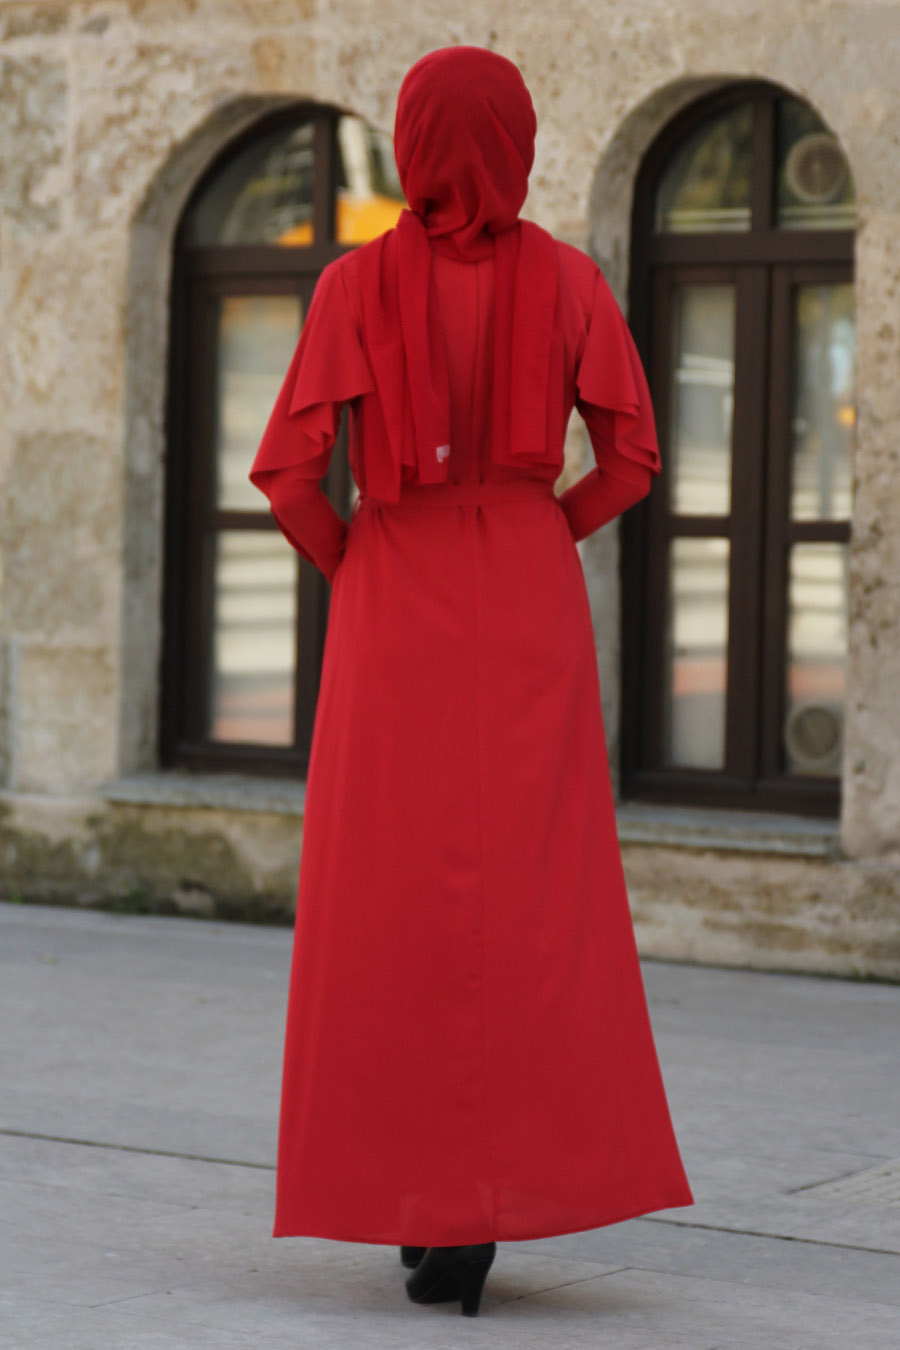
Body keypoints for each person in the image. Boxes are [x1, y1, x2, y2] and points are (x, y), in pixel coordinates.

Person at [249, 45, 694, 1319]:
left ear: (408, 140)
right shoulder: (569, 280)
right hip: (525, 576)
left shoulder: (350, 285)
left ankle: (424, 1198)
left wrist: (362, 564)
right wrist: (544, 530)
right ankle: (496, 1198)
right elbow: (630, 455)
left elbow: (289, 476)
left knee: (386, 893)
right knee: (537, 894)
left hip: (396, 581)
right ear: (521, 138)